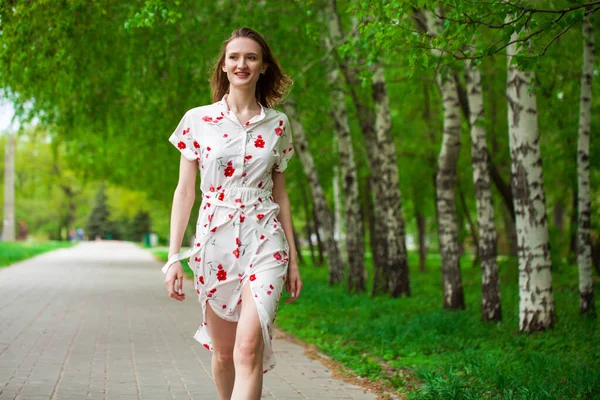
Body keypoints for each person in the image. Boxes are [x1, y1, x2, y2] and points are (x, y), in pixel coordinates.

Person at [161, 27, 302, 400]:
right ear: (223, 66)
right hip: (214, 243)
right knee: (224, 354)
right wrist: (173, 256)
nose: (242, 64)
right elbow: (185, 191)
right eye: (234, 57)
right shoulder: (197, 120)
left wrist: (295, 259)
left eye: (251, 57)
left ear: (263, 67)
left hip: (266, 241)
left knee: (247, 348)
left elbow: (282, 195)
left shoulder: (279, 125)